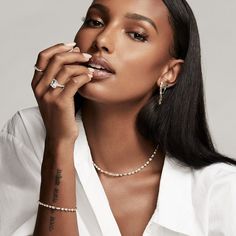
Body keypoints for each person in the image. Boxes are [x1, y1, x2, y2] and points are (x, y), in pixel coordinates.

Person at [1, 0, 236, 235]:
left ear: (169, 73)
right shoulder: (27, 136)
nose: (102, 40)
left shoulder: (221, 191)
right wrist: (59, 143)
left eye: (136, 34)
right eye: (95, 22)